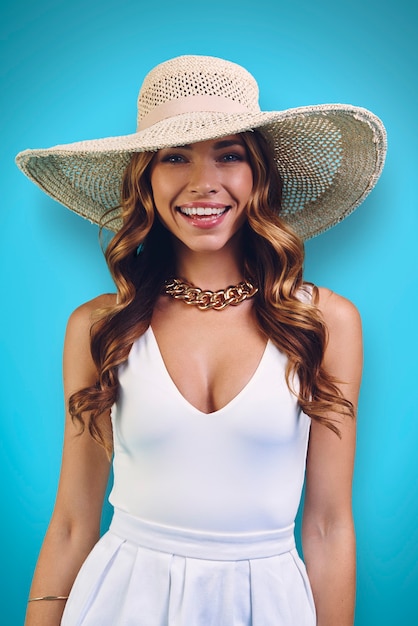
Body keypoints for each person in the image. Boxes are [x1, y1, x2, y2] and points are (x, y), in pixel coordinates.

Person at [16, 55, 386, 626]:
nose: (202, 183)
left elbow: (329, 525)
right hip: (118, 603)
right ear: (147, 178)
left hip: (269, 606)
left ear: (258, 174)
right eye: (175, 157)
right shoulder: (99, 326)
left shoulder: (325, 322)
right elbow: (71, 521)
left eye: (229, 155)